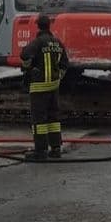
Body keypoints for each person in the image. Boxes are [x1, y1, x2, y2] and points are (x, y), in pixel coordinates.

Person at [20, 14, 69, 161]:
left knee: (39, 120)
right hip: (53, 88)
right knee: (53, 119)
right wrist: (57, 78)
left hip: (39, 88)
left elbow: (24, 55)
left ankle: (40, 151)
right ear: (49, 26)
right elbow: (65, 63)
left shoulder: (38, 42)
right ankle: (55, 149)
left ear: (38, 26)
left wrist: (29, 68)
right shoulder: (57, 43)